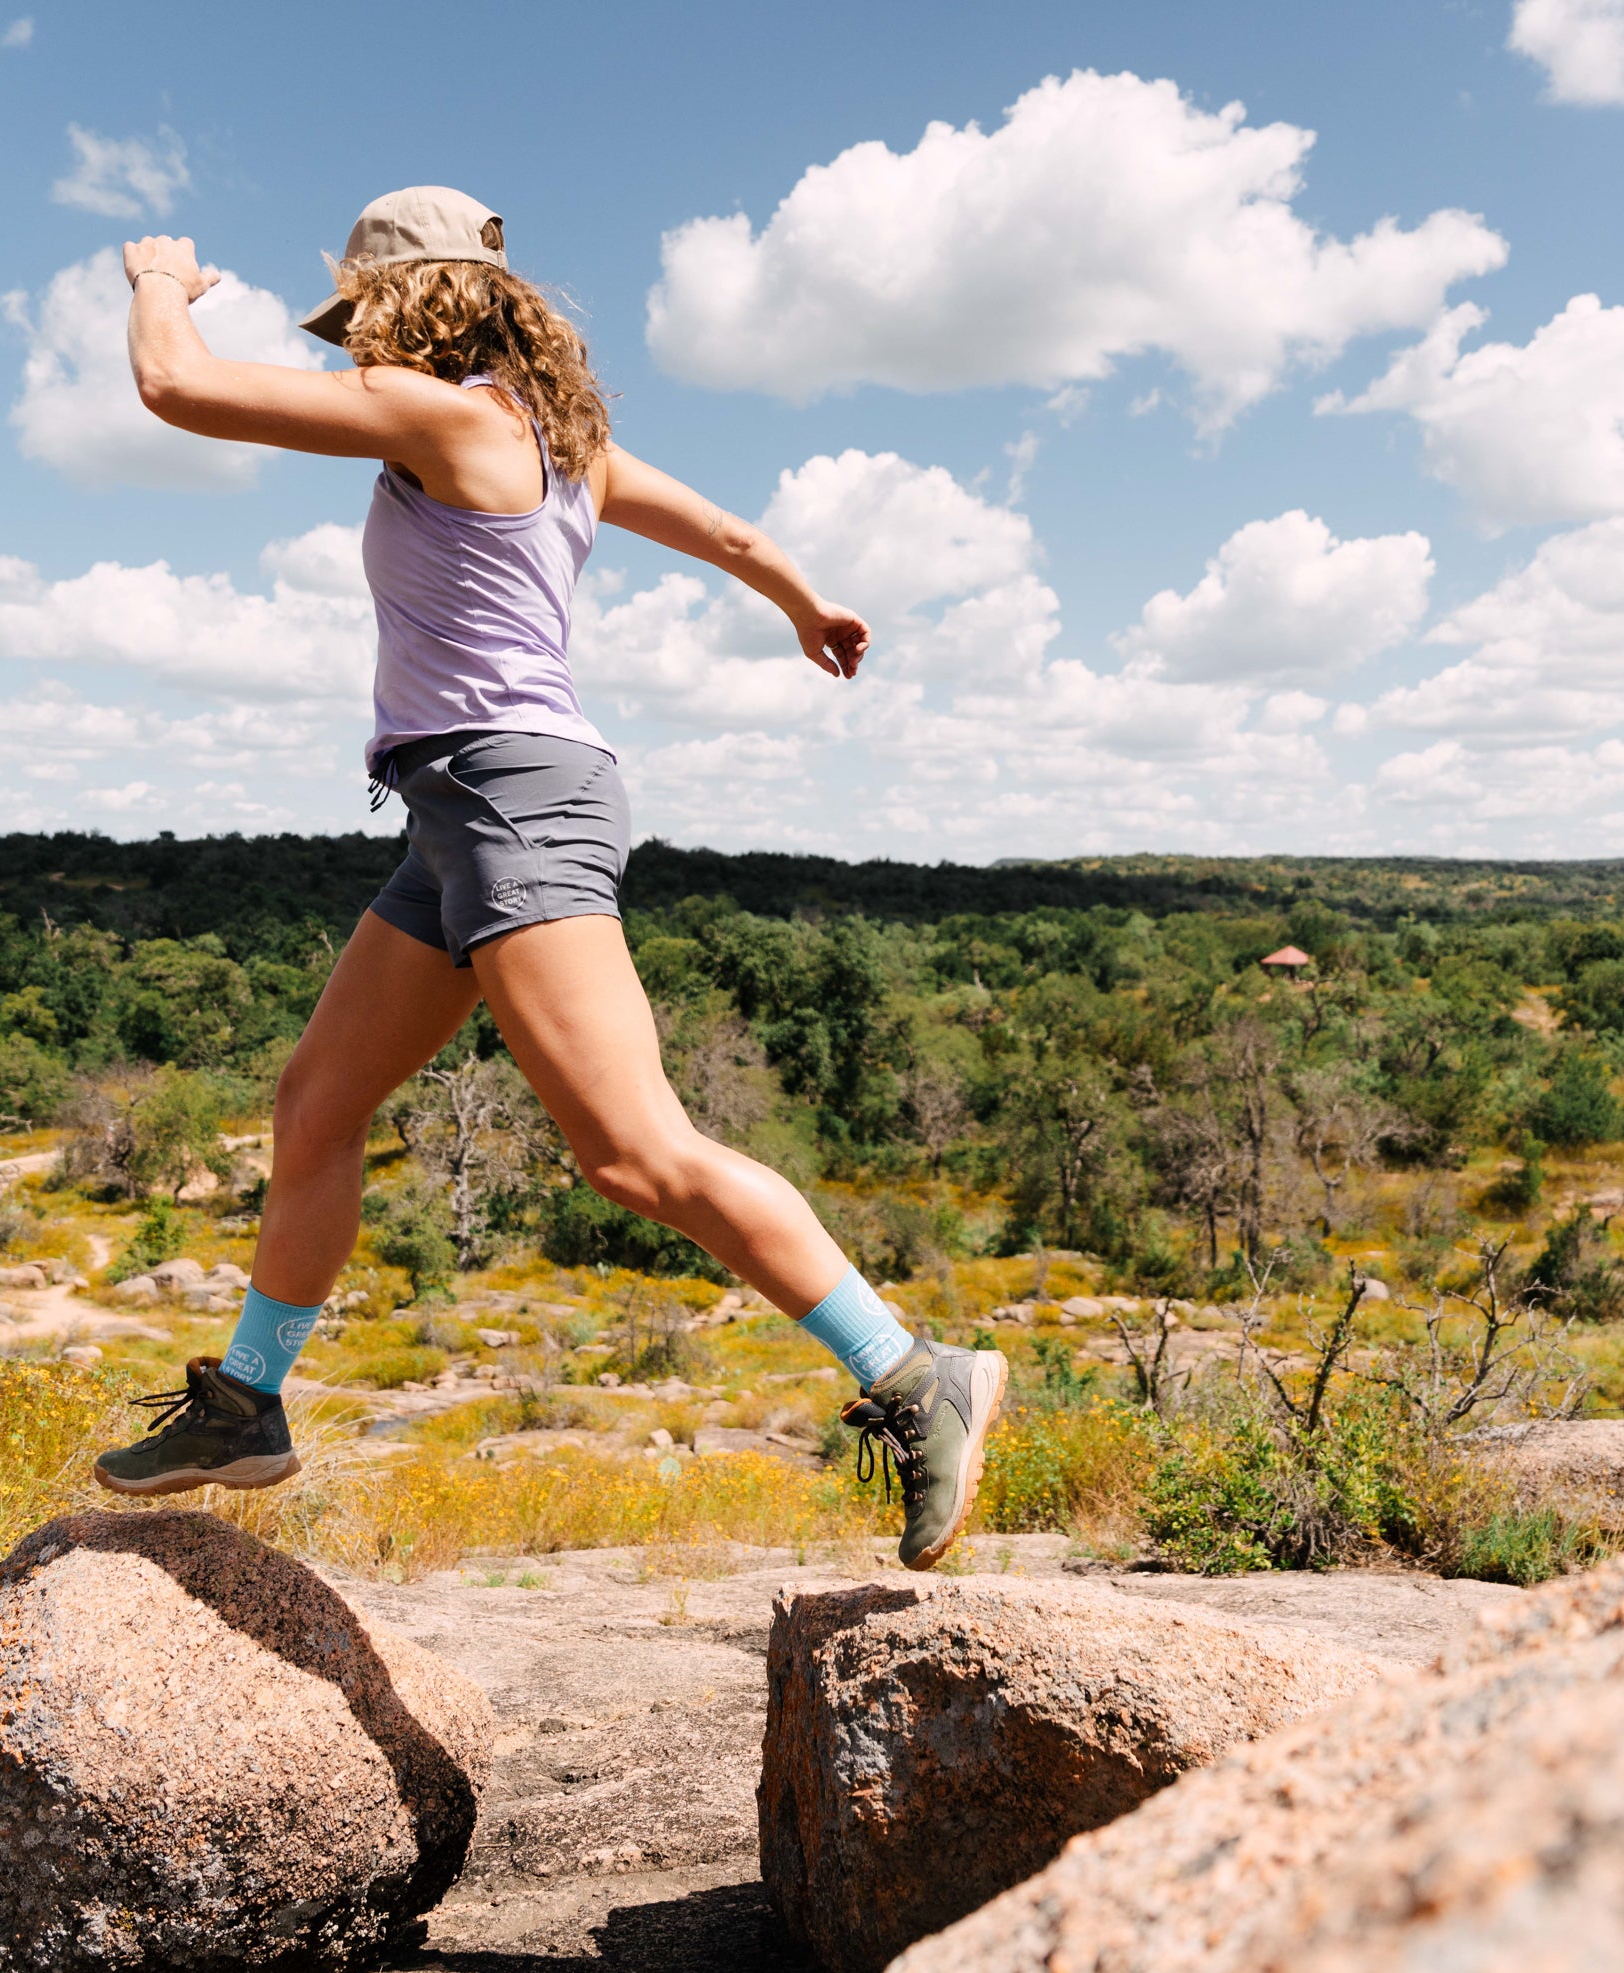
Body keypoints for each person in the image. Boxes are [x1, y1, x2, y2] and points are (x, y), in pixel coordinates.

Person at [91, 187, 1004, 1570]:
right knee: (316, 1104)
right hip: (457, 812)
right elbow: (732, 535)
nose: (351, 350)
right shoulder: (564, 444)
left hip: (516, 800)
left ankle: (907, 1370)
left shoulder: (450, 418)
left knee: (635, 1150)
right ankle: (247, 1406)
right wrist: (802, 602)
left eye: (361, 321)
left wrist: (160, 280)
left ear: (413, 307)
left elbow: (176, 386)